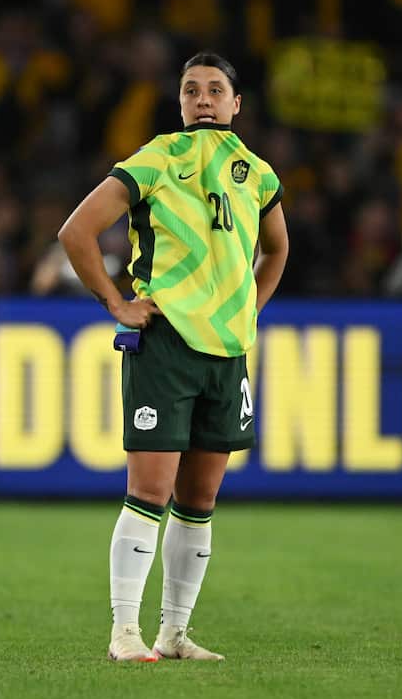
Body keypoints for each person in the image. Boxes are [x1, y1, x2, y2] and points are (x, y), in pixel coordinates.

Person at [58, 51, 288, 662]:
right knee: (150, 491)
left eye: (215, 89)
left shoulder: (258, 174)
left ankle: (174, 634)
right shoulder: (158, 158)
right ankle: (124, 632)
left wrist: (248, 308)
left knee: (200, 501)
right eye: (191, 90)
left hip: (226, 352)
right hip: (165, 346)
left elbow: (277, 250)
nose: (203, 99)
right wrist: (117, 302)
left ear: (237, 103)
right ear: (180, 102)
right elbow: (76, 231)